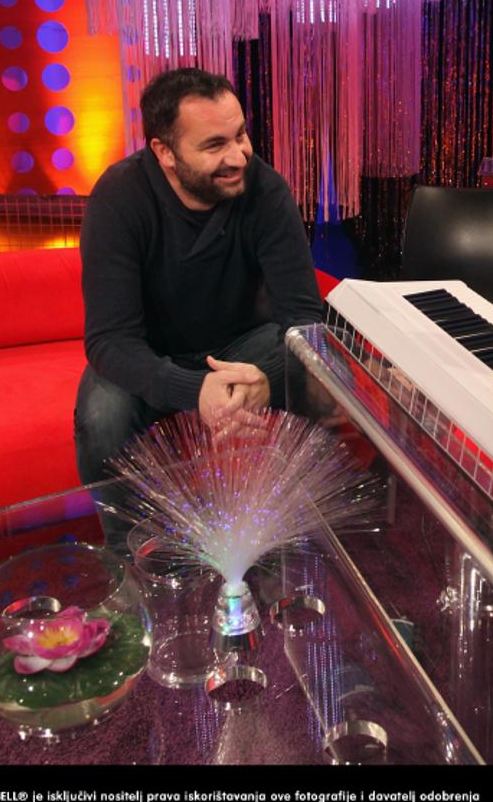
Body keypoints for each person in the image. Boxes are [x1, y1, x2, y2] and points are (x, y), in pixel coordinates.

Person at [74, 68, 325, 501]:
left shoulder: (265, 190)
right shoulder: (119, 197)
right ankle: (129, 541)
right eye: (215, 145)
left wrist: (267, 378)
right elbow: (109, 340)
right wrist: (194, 389)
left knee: (316, 371)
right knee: (102, 414)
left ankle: (295, 527)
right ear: (165, 152)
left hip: (243, 348)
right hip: (150, 354)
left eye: (240, 135)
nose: (239, 157)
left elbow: (304, 318)